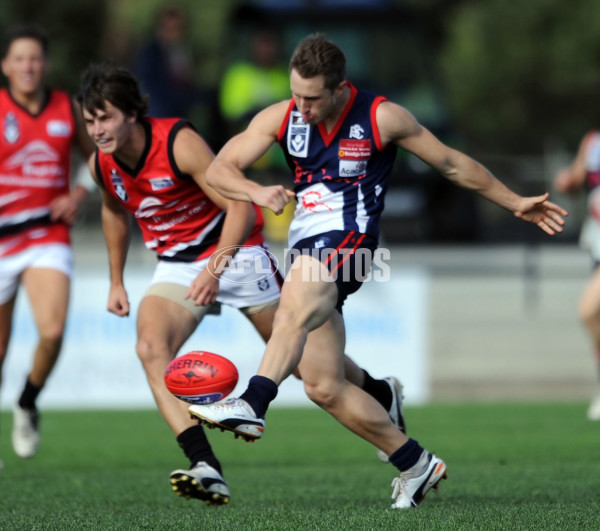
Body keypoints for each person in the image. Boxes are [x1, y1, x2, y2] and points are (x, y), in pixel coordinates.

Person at [189, 33, 568, 509]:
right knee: (323, 384)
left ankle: (253, 402)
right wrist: (255, 190)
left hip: (352, 242)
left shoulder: (382, 117)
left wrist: (515, 203)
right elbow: (220, 168)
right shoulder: (282, 115)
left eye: (311, 98)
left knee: (291, 311)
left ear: (340, 89)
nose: (300, 106)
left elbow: (450, 164)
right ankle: (413, 460)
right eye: (295, 95)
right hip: (306, 247)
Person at [76, 62, 406, 506]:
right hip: (176, 264)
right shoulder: (103, 164)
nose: (97, 130)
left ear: (132, 113)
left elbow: (240, 209)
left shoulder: (178, 143)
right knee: (151, 348)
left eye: (106, 117)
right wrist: (116, 280)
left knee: (312, 369)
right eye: (90, 120)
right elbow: (114, 211)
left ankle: (382, 393)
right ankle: (205, 465)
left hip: (236, 253)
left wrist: (216, 267)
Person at [0, 25, 95, 467]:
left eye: (35, 58)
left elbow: (98, 156)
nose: (28, 66)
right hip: (3, 238)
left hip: (47, 235)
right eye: (19, 59)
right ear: (5, 66)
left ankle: (27, 401)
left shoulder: (66, 107)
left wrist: (76, 196)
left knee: (52, 331)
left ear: (45, 63)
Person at [554, 131, 600, 420]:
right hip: (597, 241)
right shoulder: (593, 142)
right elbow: (575, 178)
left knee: (588, 311)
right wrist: (567, 180)